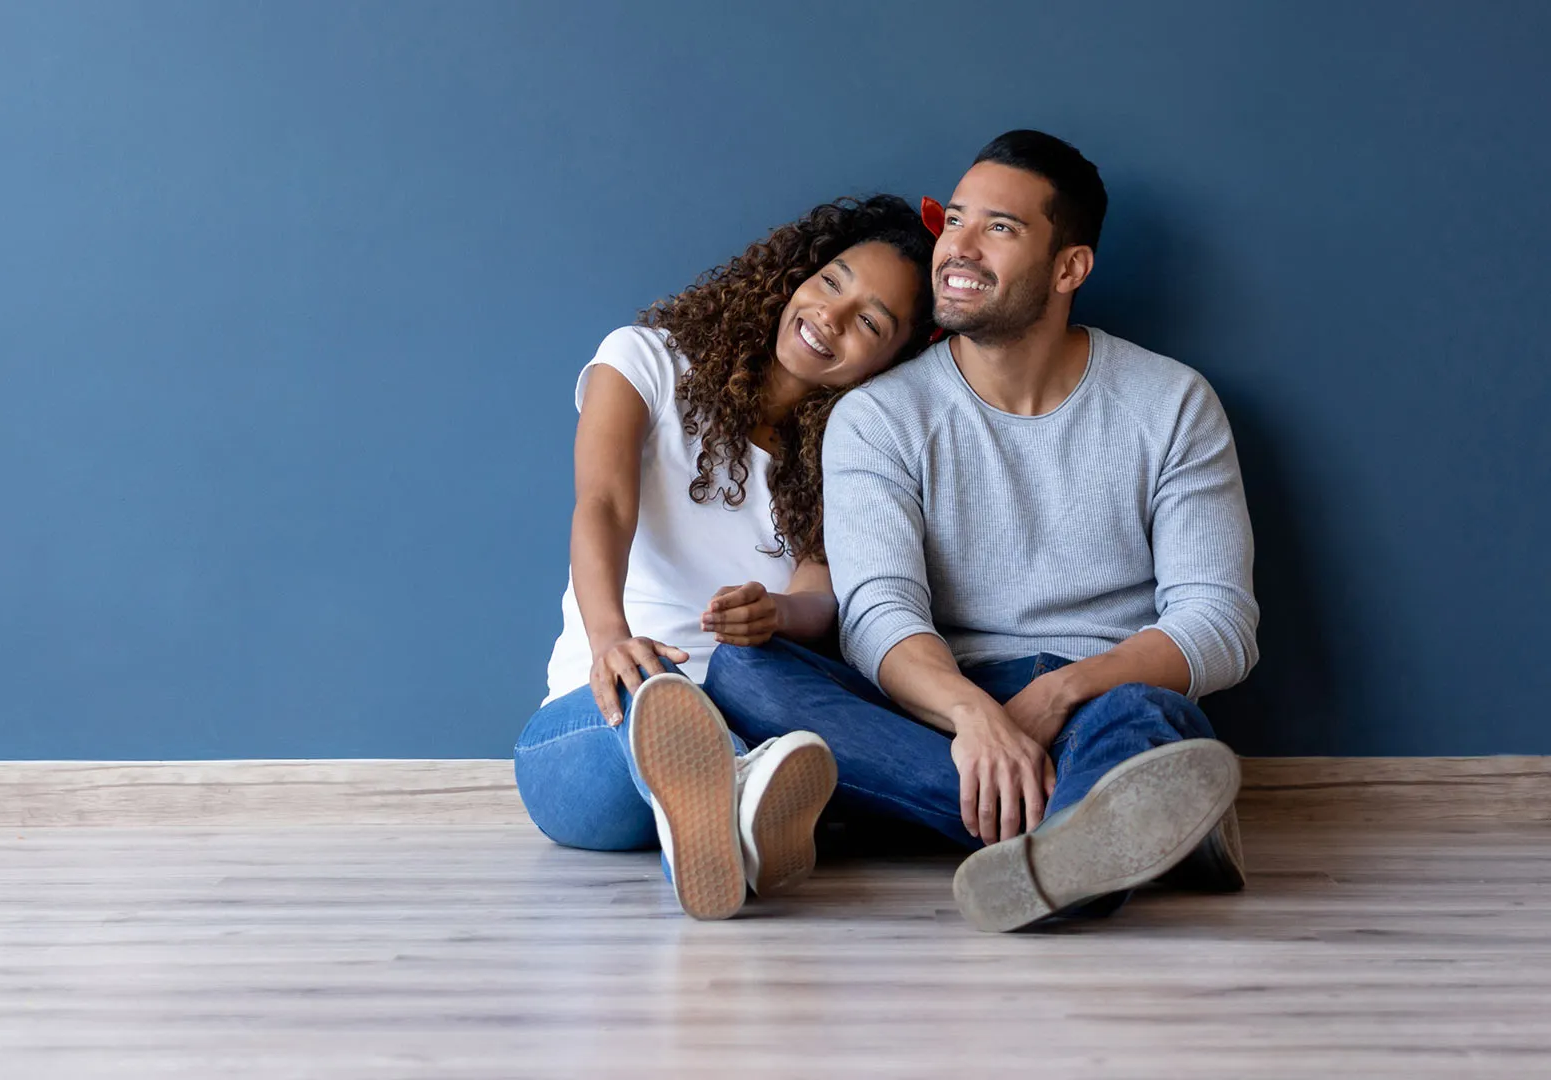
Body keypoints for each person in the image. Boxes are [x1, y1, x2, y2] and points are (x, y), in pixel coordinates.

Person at [705, 131, 1259, 932]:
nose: (957, 247)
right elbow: (879, 614)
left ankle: (1066, 824)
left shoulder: (1172, 404)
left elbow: (1219, 623)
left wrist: (1058, 692)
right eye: (955, 219)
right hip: (935, 705)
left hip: (1098, 692)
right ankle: (1091, 833)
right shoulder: (879, 417)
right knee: (743, 674)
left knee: (1142, 718)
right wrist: (976, 719)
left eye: (999, 227)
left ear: (1069, 268)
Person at [514, 195, 937, 920]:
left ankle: (728, 807)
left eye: (871, 321)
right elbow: (603, 504)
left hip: (751, 716)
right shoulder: (644, 358)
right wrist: (610, 637)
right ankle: (729, 799)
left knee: (747, 724)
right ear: (800, 273)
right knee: (653, 705)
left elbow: (821, 594)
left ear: (894, 360)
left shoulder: (855, 451)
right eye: (833, 281)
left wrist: (777, 612)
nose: (832, 316)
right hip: (598, 721)